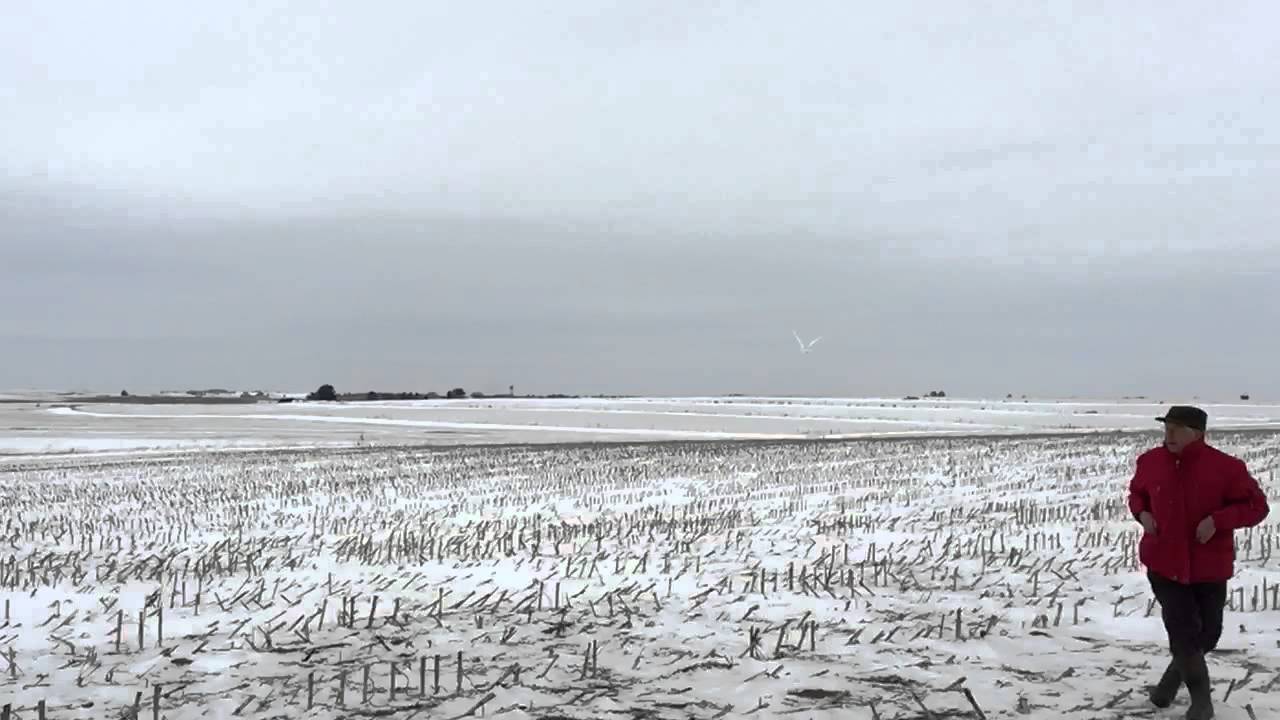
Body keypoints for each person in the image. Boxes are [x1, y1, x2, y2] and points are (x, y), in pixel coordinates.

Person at [1127, 405, 1269, 719]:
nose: (1170, 434)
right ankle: (1201, 703)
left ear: (1199, 434)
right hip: (1163, 562)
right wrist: (1143, 513)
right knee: (1184, 631)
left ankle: (1171, 679)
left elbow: (1257, 507)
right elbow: (1136, 495)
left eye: (1178, 429)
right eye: (1167, 428)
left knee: (1209, 633)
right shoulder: (1149, 462)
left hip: (1209, 566)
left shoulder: (1227, 468)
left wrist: (1219, 520)